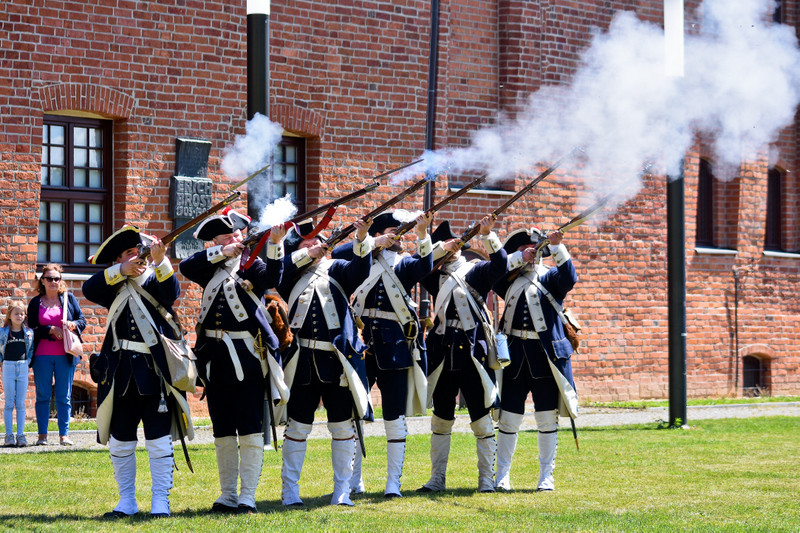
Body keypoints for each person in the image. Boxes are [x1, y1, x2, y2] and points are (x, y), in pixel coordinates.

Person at [179, 209, 289, 514]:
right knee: (223, 430)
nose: (236, 239)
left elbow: (271, 278)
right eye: (228, 237)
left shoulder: (251, 265)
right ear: (215, 242)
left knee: (251, 427)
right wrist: (221, 252)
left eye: (237, 235)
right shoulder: (210, 266)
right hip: (214, 360)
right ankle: (227, 495)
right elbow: (187, 266)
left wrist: (276, 243)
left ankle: (247, 496)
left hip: (247, 357)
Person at [82, 226, 193, 518]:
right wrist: (121, 269)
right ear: (119, 259)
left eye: (137, 251)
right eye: (130, 253)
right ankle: (126, 501)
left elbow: (171, 293)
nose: (137, 256)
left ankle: (161, 502)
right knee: (121, 439)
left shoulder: (153, 280)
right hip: (120, 375)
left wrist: (161, 261)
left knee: (158, 440)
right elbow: (89, 289)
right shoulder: (114, 284)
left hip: (153, 372)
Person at [276, 217, 373, 507]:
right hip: (302, 363)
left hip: (337, 362)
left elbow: (361, 269)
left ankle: (341, 490)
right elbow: (279, 268)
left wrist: (362, 236)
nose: (316, 247)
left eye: (318, 244)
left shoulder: (338, 269)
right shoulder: (288, 274)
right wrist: (306, 254)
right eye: (307, 245)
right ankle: (289, 491)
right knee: (297, 429)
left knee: (343, 428)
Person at [337, 211, 433, 498]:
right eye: (394, 231)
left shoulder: (404, 265)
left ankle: (394, 482)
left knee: (394, 416)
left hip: (394, 347)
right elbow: (337, 255)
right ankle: (355, 480)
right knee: (355, 414)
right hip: (362, 345)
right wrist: (369, 240)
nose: (398, 237)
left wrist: (423, 233)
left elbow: (425, 264)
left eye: (400, 232)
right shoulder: (362, 260)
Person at [417, 216, 507, 493]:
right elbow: (418, 266)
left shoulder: (476, 270)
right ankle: (436, 479)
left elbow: (501, 265)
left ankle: (485, 480)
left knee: (481, 419)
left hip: (473, 354)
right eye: (441, 245)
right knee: (441, 419)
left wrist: (488, 235)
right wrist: (432, 245)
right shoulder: (433, 275)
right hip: (443, 354)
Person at [492, 227, 578, 492]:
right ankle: (502, 476)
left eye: (533, 249)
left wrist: (557, 247)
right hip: (514, 358)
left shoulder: (550, 277)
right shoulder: (508, 279)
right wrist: (519, 259)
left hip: (544, 358)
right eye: (523, 249)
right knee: (508, 418)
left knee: (546, 418)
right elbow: (495, 274)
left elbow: (569, 278)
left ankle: (546, 477)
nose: (530, 253)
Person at [27, 263, 86, 446]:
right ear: (42, 281)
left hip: (65, 354)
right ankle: (42, 436)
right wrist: (50, 329)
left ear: (60, 281)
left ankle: (64, 435)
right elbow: (31, 329)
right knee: (43, 395)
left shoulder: (68, 299)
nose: (53, 282)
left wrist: (73, 325)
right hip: (42, 356)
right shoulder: (36, 302)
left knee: (64, 396)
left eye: (57, 278)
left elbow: (82, 320)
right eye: (49, 278)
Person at [1, 301, 35, 447]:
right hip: (8, 366)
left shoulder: (28, 332)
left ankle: (20, 435)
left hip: (22, 367)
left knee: (20, 403)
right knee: (9, 403)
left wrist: (27, 362)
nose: (19, 316)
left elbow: (31, 349)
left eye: (22, 313)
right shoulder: (3, 332)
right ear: (9, 315)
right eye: (16, 313)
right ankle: (9, 435)